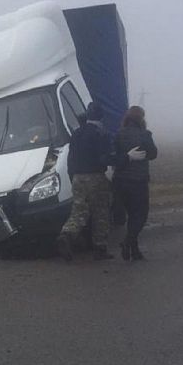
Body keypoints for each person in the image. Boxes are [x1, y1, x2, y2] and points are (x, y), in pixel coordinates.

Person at [57, 100, 115, 262]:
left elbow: (70, 159)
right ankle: (100, 248)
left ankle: (67, 235)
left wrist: (72, 176)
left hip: (77, 177)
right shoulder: (101, 133)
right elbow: (105, 157)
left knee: (79, 211)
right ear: (101, 116)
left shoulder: (76, 133)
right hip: (96, 177)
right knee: (100, 212)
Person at [112, 105, 158, 260]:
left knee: (131, 216)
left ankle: (135, 250)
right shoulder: (145, 135)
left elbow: (114, 157)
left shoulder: (118, 134)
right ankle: (128, 242)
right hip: (138, 182)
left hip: (120, 181)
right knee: (139, 216)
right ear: (141, 119)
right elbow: (153, 154)